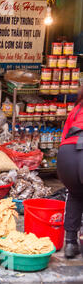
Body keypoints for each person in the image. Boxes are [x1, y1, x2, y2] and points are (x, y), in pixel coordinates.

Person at [57, 87, 83, 258]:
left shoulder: (76, 110)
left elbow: (64, 137)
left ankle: (71, 243)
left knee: (75, 195)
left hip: (66, 157)